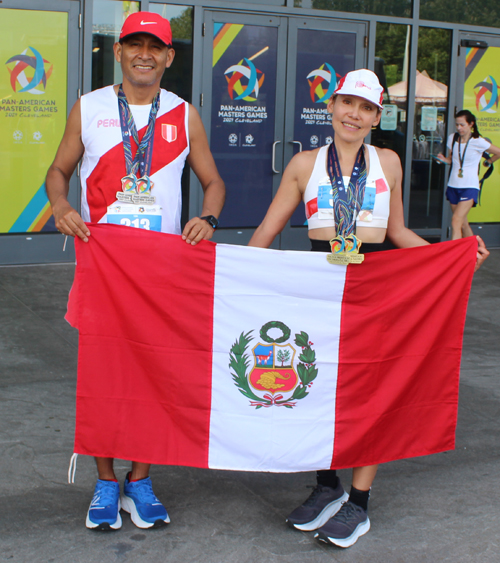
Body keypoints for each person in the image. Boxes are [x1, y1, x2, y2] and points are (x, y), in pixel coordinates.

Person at [248, 69, 489, 548]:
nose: (354, 115)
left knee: (370, 391)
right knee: (318, 386)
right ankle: (326, 485)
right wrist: (231, 274)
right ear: (332, 106)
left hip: (377, 286)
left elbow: (397, 231)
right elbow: (267, 230)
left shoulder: (390, 162)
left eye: (366, 108)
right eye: (347, 104)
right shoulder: (304, 164)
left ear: (377, 116)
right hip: (319, 284)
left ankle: (358, 502)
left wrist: (454, 258)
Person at [46, 11, 225, 531]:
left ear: (170, 57)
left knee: (154, 373)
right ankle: (106, 482)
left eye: (155, 46)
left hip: (161, 269)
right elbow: (58, 171)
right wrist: (60, 206)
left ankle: (140, 480)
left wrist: (208, 218)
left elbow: (214, 182)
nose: (144, 53)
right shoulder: (91, 107)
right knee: (104, 374)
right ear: (118, 51)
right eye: (134, 44)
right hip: (103, 263)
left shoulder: (184, 114)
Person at [437, 110, 500, 239]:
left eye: (462, 125)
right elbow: (451, 160)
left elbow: (498, 152)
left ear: (471, 124)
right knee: (463, 224)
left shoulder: (478, 141)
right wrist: (444, 159)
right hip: (453, 185)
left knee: (455, 220)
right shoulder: (453, 138)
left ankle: (455, 255)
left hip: (470, 187)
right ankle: (474, 251)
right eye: (457, 125)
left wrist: (488, 162)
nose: (459, 128)